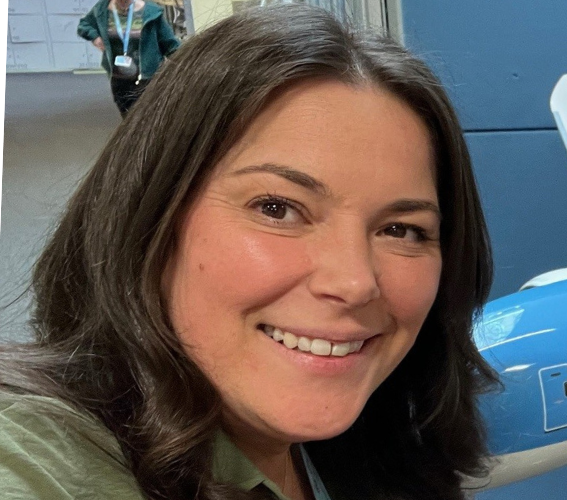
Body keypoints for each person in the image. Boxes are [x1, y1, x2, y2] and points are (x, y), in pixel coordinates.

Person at [1, 4, 497, 500]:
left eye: (401, 230)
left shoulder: (380, 437)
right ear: (151, 216)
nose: (354, 283)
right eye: (277, 209)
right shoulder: (35, 454)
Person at [76, 0, 181, 116]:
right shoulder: (102, 9)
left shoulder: (151, 12)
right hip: (120, 80)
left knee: (151, 118)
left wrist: (185, 67)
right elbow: (84, 25)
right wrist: (95, 37)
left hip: (149, 78)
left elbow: (171, 45)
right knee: (129, 119)